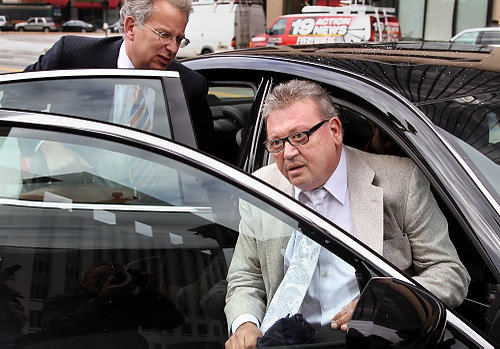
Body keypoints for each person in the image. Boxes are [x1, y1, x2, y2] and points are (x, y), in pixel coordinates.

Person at [224, 80, 470, 348]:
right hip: (286, 338)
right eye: (277, 143)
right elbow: (245, 278)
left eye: (299, 136)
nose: (289, 153)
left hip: (371, 339)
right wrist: (245, 324)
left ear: (334, 131)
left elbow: (449, 272)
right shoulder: (261, 188)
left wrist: (387, 306)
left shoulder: (401, 181)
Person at [22, 0, 214, 153]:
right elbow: (17, 99)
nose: (173, 48)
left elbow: (206, 158)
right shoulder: (74, 57)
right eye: (164, 35)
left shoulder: (189, 86)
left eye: (179, 39)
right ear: (131, 27)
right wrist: (37, 153)